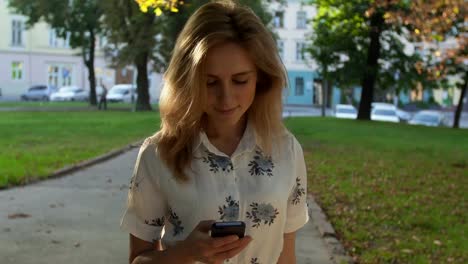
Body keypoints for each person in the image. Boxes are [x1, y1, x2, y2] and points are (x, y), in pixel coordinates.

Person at [120, 1, 309, 263]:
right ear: (187, 81)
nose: (226, 97)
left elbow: (286, 255)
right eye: (209, 83)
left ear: (261, 78)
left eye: (240, 80)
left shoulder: (285, 150)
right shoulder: (159, 153)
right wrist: (185, 253)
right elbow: (138, 260)